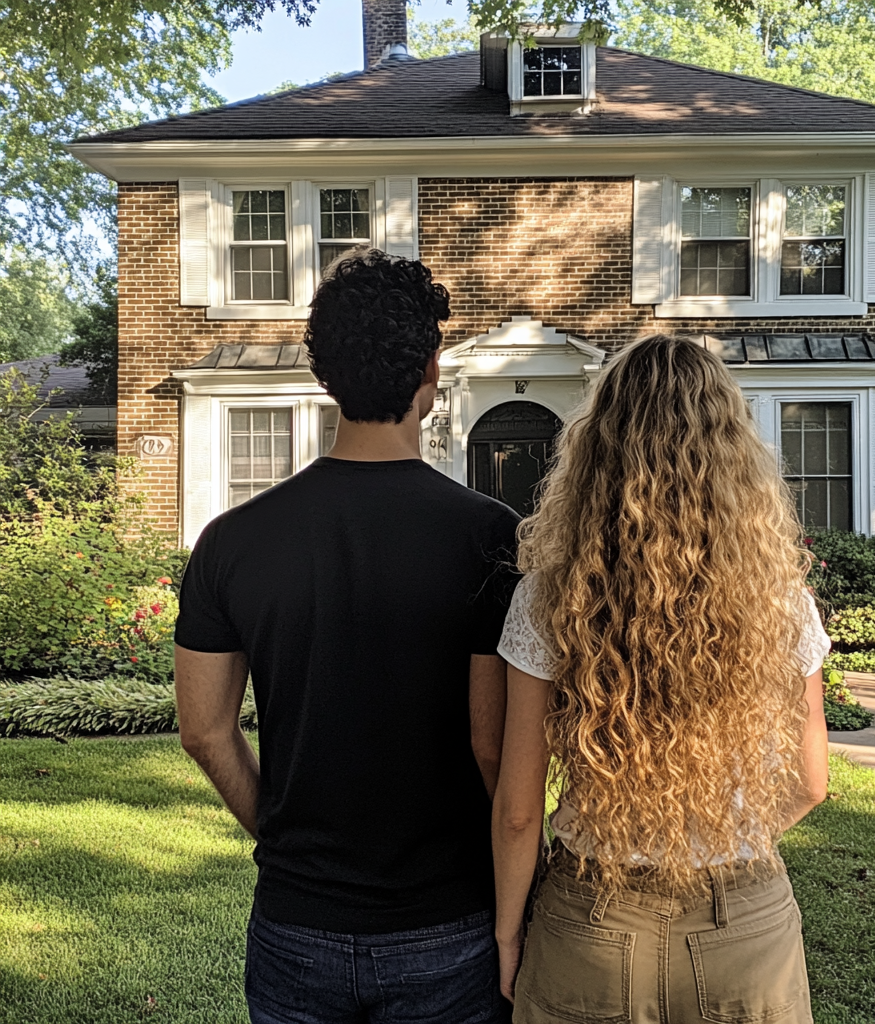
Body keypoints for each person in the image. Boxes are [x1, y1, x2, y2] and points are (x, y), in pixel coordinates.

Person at [174, 248, 519, 1024]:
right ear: (432, 369)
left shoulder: (231, 542)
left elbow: (203, 731)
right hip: (451, 922)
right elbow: (491, 745)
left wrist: (282, 837)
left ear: (321, 369)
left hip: (296, 924)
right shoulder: (492, 538)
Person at [492, 334, 831, 1024]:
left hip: (590, 919)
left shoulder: (550, 596)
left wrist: (505, 933)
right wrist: (722, 840)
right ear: (732, 451)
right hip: (745, 920)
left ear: (596, 451)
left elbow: (520, 809)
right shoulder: (779, 599)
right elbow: (810, 781)